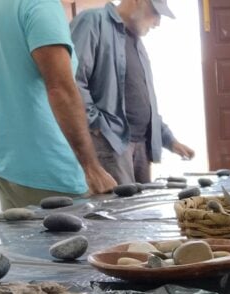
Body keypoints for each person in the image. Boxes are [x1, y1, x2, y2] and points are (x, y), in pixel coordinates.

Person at [0, 0, 116, 210]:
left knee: (22, 243)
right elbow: (60, 89)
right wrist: (92, 167)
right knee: (84, 241)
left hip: (3, 166)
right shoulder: (38, 3)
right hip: (51, 171)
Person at [70, 0, 195, 185]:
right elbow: (74, 80)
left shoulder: (137, 43)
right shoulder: (93, 22)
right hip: (112, 145)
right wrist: (98, 126)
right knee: (118, 212)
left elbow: (144, 101)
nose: (158, 22)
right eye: (156, 13)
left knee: (142, 212)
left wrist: (169, 140)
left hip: (142, 147)